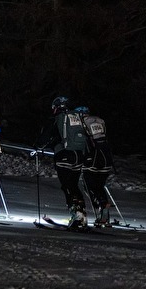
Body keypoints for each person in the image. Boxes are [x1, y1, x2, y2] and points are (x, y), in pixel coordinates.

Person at [44, 95, 90, 227]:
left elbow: (48, 136)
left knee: (67, 186)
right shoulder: (75, 116)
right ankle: (82, 214)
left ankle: (76, 215)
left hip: (64, 155)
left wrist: (40, 146)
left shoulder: (58, 118)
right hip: (79, 155)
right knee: (74, 185)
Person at [79, 105, 115, 226]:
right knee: (100, 186)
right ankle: (104, 213)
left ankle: (101, 207)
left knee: (90, 186)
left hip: (93, 159)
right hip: (106, 158)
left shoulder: (83, 123)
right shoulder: (99, 121)